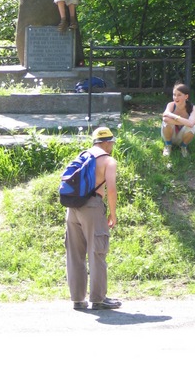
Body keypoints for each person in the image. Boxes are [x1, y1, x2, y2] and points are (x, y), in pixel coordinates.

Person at [65, 127, 122, 310]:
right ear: (107, 143)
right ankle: (98, 299)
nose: (112, 146)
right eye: (112, 143)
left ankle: (78, 299)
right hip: (92, 208)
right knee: (97, 252)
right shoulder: (108, 161)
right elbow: (111, 189)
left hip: (72, 207)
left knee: (75, 254)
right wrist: (112, 213)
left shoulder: (83, 156)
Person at [161, 82, 195, 158]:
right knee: (166, 123)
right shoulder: (171, 105)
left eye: (179, 95)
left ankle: (183, 147)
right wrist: (184, 121)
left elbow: (191, 124)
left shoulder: (192, 108)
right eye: (174, 95)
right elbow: (165, 118)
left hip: (182, 137)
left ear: (186, 96)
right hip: (169, 135)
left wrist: (175, 117)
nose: (176, 97)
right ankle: (168, 146)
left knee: (193, 127)